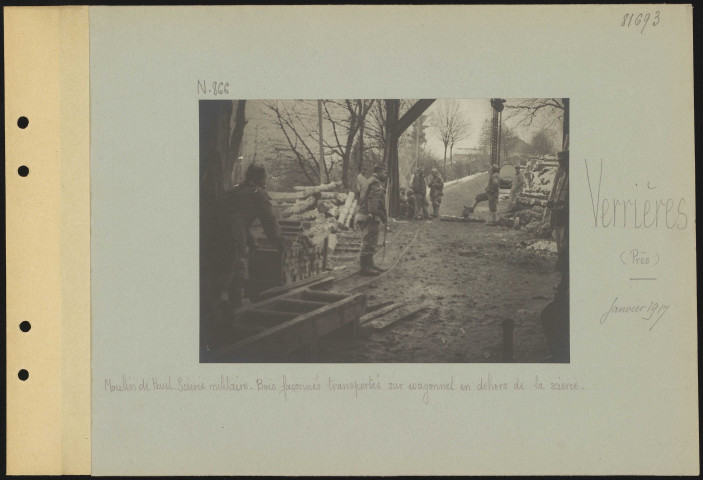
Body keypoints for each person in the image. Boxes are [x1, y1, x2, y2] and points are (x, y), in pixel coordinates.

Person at [214, 163, 285, 322]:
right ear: (258, 178)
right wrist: (280, 244)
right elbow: (269, 222)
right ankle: (233, 317)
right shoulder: (256, 193)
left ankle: (227, 314)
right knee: (235, 274)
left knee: (219, 277)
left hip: (211, 235)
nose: (265, 181)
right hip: (230, 236)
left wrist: (252, 242)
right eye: (264, 177)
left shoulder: (236, 190)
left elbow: (239, 219)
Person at [541, 150, 569, 362]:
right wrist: (554, 204)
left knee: (564, 244)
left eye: (563, 162)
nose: (562, 165)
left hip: (566, 219)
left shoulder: (573, 177)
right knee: (561, 242)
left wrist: (560, 206)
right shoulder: (563, 176)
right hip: (560, 217)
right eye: (560, 163)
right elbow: (559, 195)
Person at [355, 164, 388, 276]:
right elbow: (373, 200)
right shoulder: (375, 183)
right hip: (369, 216)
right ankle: (364, 268)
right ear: (378, 172)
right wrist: (376, 213)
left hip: (365, 214)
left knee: (371, 240)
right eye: (384, 172)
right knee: (368, 241)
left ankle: (370, 264)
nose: (386, 175)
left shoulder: (369, 181)